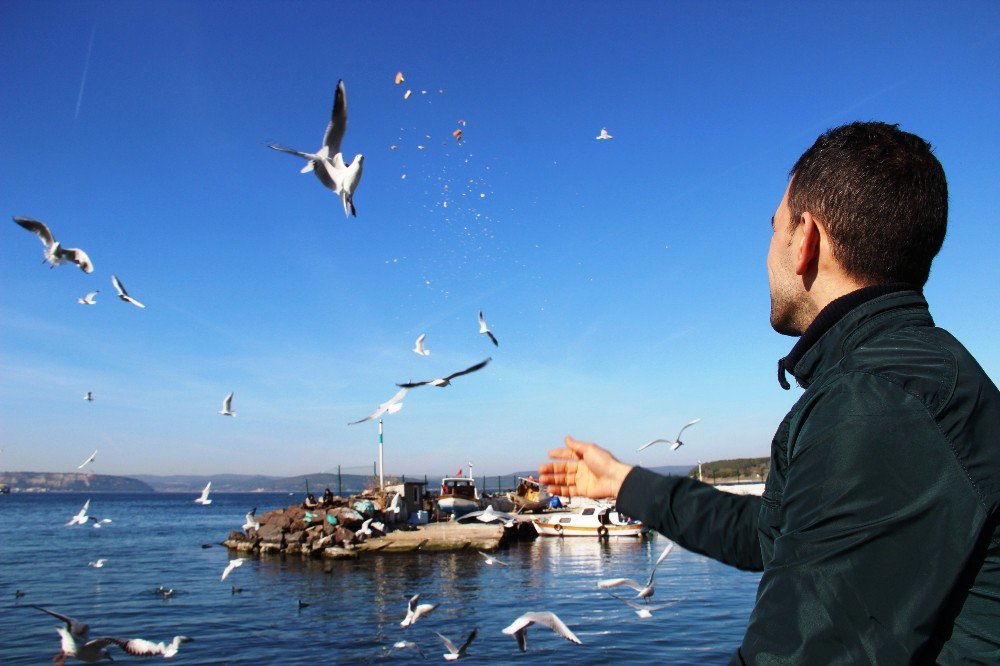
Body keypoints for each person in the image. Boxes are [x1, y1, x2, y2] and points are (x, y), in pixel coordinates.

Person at [540, 122, 1000, 663]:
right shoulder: (909, 376)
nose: (765, 255)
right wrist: (622, 482)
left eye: (773, 228)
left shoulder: (878, 404)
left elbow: (803, 650)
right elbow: (770, 533)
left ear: (805, 239)